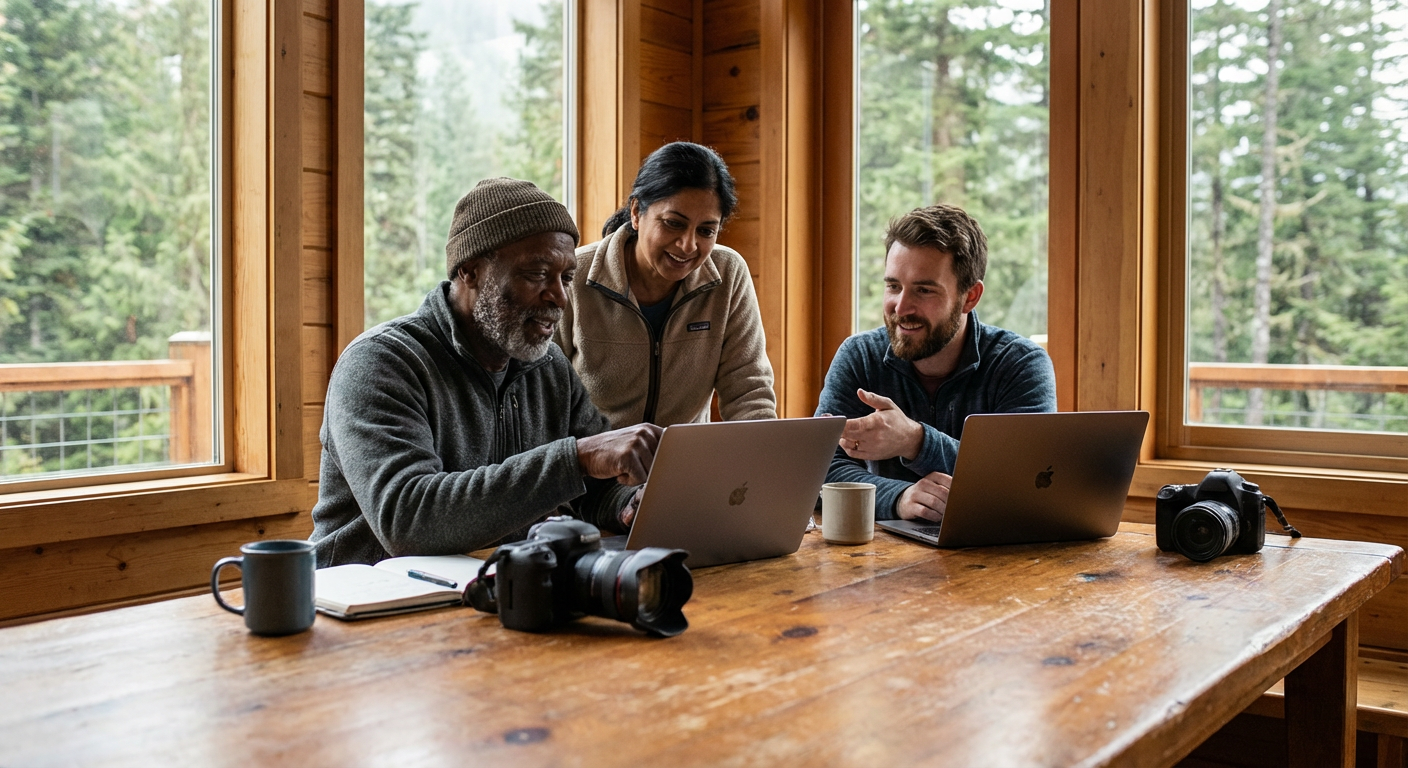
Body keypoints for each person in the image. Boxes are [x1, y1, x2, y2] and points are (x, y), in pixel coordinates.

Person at [310, 178, 662, 567]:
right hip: (370, 595)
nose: (560, 297)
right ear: (470, 271)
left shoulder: (549, 366)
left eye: (565, 278)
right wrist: (575, 458)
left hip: (496, 588)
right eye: (537, 274)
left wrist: (629, 502)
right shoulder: (382, 363)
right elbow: (407, 520)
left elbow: (594, 488)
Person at [814, 204, 1056, 523]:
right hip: (883, 550)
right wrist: (899, 498)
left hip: (995, 548)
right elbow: (821, 468)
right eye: (893, 286)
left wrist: (915, 441)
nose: (901, 307)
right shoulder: (859, 356)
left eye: (924, 290)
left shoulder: (1020, 364)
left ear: (970, 297)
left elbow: (1029, 479)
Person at [555, 141, 776, 428]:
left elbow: (748, 391)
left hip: (688, 457)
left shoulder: (728, 274)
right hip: (593, 455)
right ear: (636, 213)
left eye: (706, 231)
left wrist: (765, 451)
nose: (688, 245)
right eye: (674, 223)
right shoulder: (573, 276)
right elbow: (544, 397)